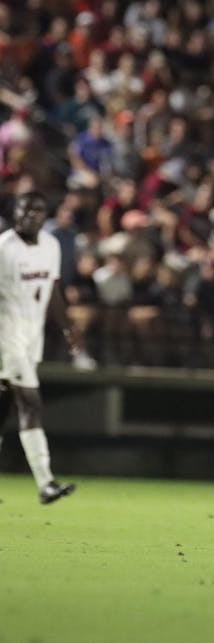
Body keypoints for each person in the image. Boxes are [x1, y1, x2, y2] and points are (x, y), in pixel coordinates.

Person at [0, 192, 84, 504]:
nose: (31, 215)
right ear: (15, 212)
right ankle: (46, 483)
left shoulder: (50, 245)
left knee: (5, 404)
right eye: (25, 209)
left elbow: (53, 289)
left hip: (31, 335)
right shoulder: (4, 248)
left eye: (37, 209)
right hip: (5, 334)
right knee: (31, 403)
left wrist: (67, 327)